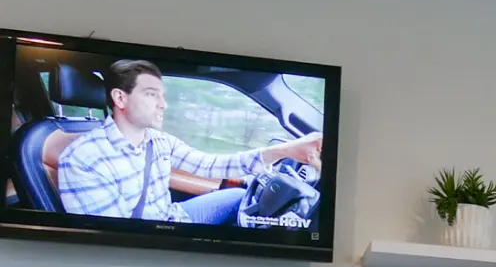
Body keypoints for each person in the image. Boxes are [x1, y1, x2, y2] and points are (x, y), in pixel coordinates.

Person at [55, 59, 322, 225]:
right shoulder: (82, 159)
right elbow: (110, 242)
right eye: (151, 95)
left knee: (239, 198)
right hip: (143, 246)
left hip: (172, 219)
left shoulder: (158, 141)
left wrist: (286, 150)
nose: (163, 104)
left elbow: (211, 165)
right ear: (120, 99)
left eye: (162, 95)